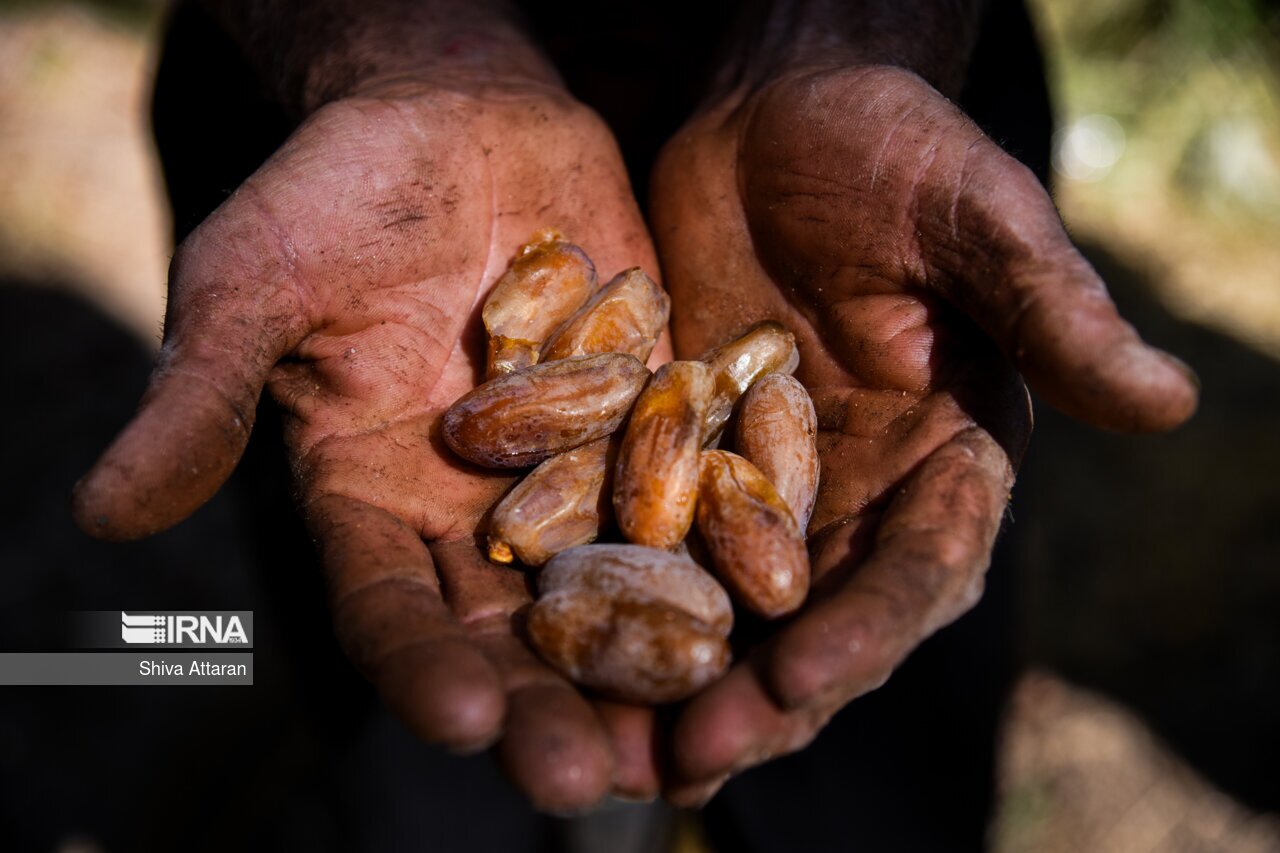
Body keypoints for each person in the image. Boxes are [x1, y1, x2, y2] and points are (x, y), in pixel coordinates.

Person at [72, 0, 1197, 845]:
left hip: (851, 121)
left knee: (861, 722)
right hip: (344, 132)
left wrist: (839, 30)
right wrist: (394, 43)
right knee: (419, 721)